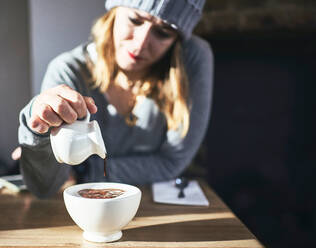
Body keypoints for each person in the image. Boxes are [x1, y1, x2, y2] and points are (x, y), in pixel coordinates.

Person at [18, 0, 213, 198]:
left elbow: (173, 161)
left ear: (177, 40)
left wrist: (83, 171)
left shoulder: (191, 58)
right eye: (135, 20)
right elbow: (45, 186)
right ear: (114, 11)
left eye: (163, 32)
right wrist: (38, 138)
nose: (140, 44)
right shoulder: (68, 72)